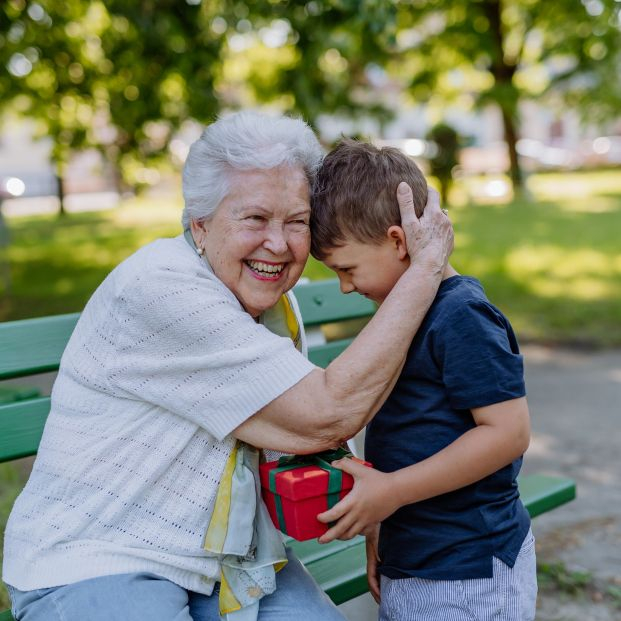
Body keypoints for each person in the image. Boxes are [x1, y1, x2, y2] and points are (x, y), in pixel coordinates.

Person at [2, 113, 452, 621]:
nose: (278, 245)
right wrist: (426, 267)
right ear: (201, 223)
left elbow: (309, 433)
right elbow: (327, 412)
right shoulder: (163, 291)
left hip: (230, 562)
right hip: (102, 557)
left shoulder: (272, 305)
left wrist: (375, 520)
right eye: (255, 219)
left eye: (297, 222)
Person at [310, 139, 535, 621]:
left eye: (346, 269)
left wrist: (391, 492)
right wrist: (381, 527)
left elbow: (508, 432)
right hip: (415, 560)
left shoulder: (461, 316)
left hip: (468, 570)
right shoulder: (403, 317)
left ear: (397, 241)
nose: (345, 286)